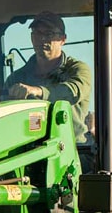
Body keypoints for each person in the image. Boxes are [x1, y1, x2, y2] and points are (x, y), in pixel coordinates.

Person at [5, 12, 93, 145]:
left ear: (63, 39)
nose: (42, 39)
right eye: (37, 34)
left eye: (49, 34)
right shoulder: (17, 78)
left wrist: (38, 91)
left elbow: (72, 92)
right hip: (28, 150)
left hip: (74, 150)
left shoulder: (77, 69)